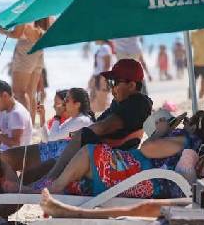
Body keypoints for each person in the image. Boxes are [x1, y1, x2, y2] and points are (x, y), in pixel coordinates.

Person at [43, 110, 204, 198]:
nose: (185, 123)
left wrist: (160, 131)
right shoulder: (190, 143)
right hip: (140, 173)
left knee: (89, 152)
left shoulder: (184, 141)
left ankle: (56, 186)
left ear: (194, 127)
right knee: (88, 159)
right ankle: (57, 185)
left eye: (188, 121)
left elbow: (147, 149)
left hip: (140, 177)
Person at [31, 58, 154, 186]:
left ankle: (47, 182)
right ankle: (34, 185)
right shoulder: (120, 103)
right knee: (37, 166)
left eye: (115, 82)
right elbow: (98, 124)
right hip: (95, 153)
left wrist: (78, 134)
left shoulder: (137, 104)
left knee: (36, 161)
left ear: (131, 85)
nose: (111, 88)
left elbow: (103, 127)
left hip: (105, 160)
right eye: (110, 82)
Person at [5, 88, 95, 183]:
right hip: (58, 156)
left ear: (77, 104)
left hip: (66, 161)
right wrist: (42, 118)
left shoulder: (81, 121)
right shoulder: (74, 120)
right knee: (23, 170)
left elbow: (52, 139)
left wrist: (57, 116)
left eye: (67, 100)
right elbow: (47, 139)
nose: (64, 103)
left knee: (18, 164)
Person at [0, 0, 52, 122]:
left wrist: (4, 32)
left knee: (19, 92)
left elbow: (17, 33)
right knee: (30, 92)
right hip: (39, 49)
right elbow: (48, 30)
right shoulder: (45, 9)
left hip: (26, 49)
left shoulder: (26, 8)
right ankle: (31, 125)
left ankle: (25, 125)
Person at [0, 80, 33, 151]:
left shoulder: (17, 113)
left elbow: (16, 144)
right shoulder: (1, 112)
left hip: (19, 155)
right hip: (5, 152)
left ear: (5, 95)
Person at [88, 40, 113, 114]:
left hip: (102, 77)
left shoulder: (105, 47)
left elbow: (107, 65)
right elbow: (99, 66)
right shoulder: (103, 48)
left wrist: (103, 78)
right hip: (98, 76)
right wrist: (92, 78)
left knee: (101, 102)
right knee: (94, 101)